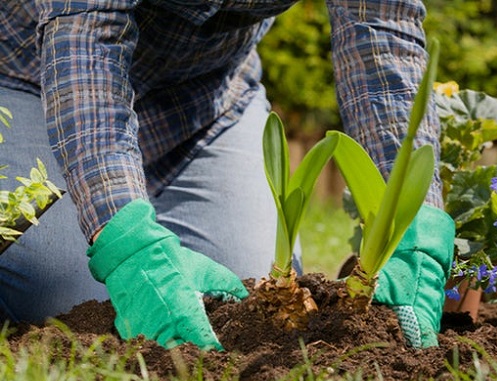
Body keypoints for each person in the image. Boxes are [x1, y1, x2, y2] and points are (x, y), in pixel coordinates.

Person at [0, 1, 455, 350]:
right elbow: (86, 37)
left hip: (205, 101)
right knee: (66, 297)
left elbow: (379, 32)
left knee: (254, 303)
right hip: (32, 83)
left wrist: (414, 230)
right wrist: (128, 243)